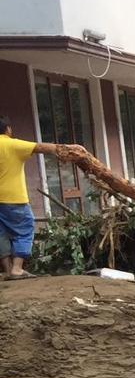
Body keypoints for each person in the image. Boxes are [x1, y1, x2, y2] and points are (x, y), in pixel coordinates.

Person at [0, 118, 76, 279]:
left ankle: (7, 270)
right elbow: (40, 147)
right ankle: (17, 269)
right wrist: (71, 149)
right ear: (7, 129)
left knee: (1, 233)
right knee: (25, 229)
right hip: (13, 198)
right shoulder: (11, 144)